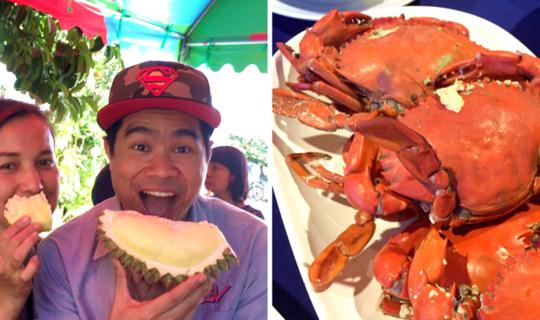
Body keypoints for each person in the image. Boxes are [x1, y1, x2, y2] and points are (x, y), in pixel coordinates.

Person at [33, 61, 267, 319]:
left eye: (182, 148)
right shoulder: (60, 256)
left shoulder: (254, 243)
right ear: (109, 151)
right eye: (141, 147)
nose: (162, 170)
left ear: (207, 155)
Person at [0, 99, 60, 320]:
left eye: (44, 162)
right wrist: (8, 302)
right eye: (8, 166)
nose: (34, 184)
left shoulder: (55, 260)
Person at [205, 146, 264, 219]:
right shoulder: (200, 207)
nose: (207, 173)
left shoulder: (252, 217)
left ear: (234, 175)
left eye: (215, 168)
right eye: (206, 167)